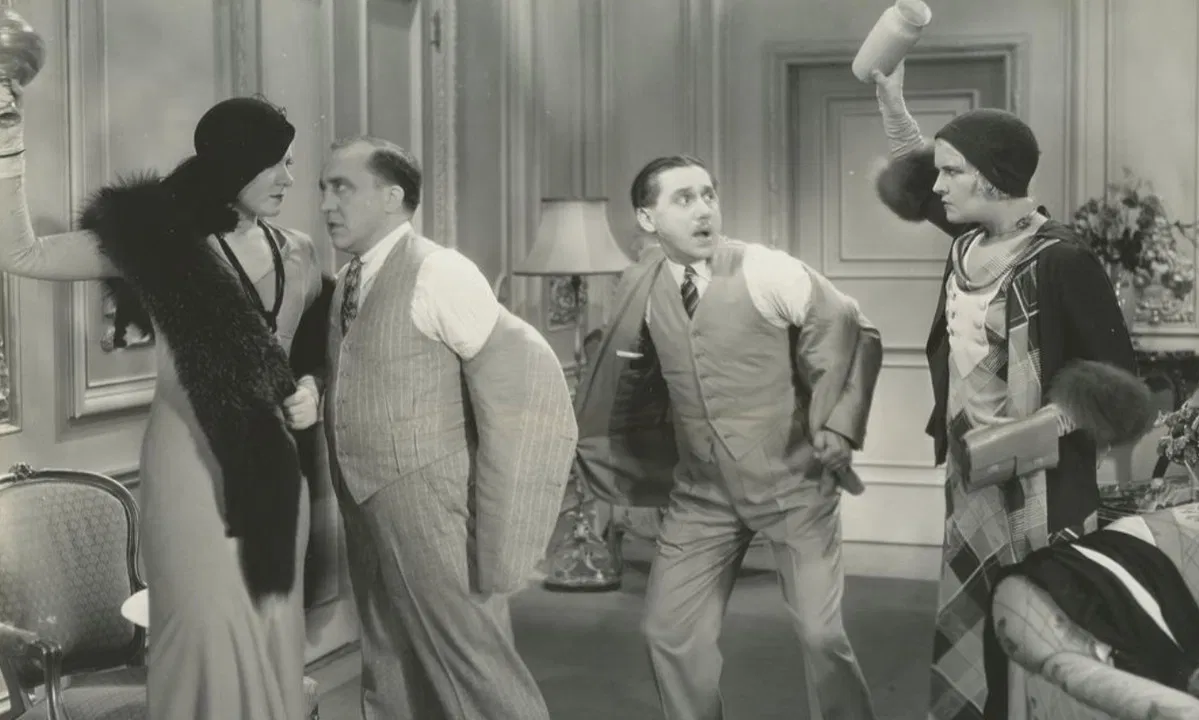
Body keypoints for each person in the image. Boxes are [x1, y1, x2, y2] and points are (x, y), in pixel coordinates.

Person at [0, 82, 327, 718]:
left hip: (273, 468)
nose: (289, 178)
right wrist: (8, 141)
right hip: (188, 466)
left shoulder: (302, 254)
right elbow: (21, 253)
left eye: (289, 162)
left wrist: (313, 389)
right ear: (234, 163)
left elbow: (317, 354)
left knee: (271, 630)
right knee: (202, 629)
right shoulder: (160, 246)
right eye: (274, 163)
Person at [869, 63, 1139, 719]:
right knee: (977, 619)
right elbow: (917, 183)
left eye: (952, 172)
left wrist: (1025, 437)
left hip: (1042, 485)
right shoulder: (967, 243)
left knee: (1040, 627)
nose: (939, 186)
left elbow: (1116, 384)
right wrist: (892, 101)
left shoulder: (1062, 258)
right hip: (971, 475)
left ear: (991, 177)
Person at [574, 154, 884, 720]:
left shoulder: (767, 270)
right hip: (703, 493)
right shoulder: (640, 284)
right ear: (647, 219)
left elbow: (853, 330)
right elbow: (628, 377)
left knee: (821, 636)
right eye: (684, 199)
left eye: (709, 195)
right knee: (668, 631)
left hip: (793, 485)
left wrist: (839, 423)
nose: (704, 210)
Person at [318, 135, 576, 720]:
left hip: (430, 500)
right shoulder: (349, 280)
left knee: (473, 662)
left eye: (342, 188)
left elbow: (518, 384)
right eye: (324, 189)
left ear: (392, 197)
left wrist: (494, 509)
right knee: (388, 659)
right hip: (362, 497)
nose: (328, 204)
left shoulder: (439, 271)